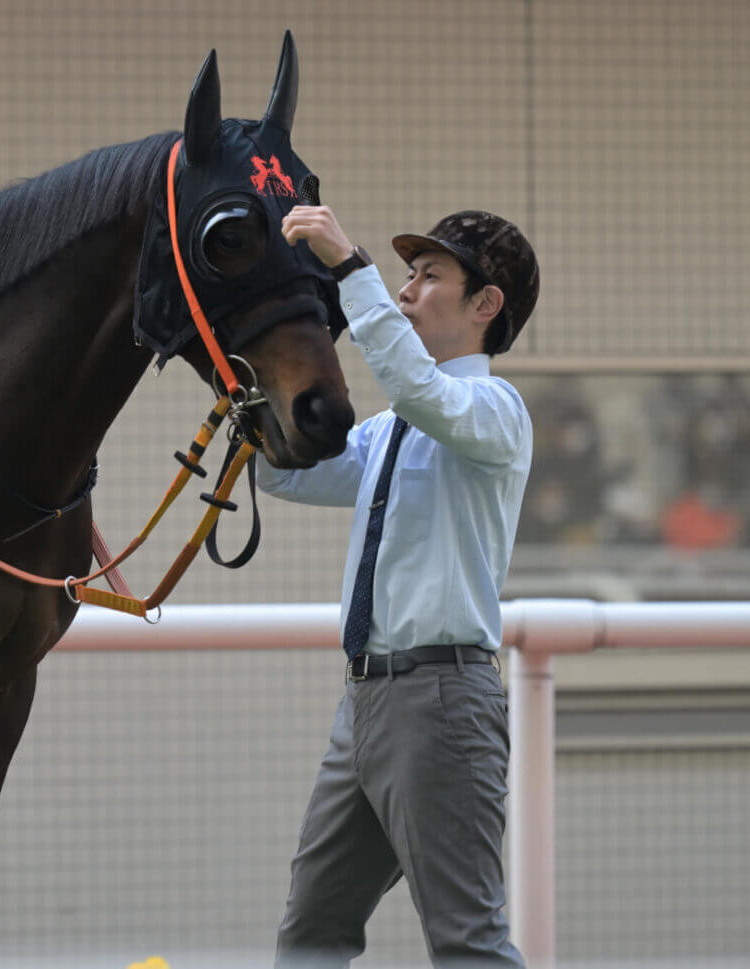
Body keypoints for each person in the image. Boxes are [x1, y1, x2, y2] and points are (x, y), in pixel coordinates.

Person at [264, 206, 540, 968]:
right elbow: (287, 470)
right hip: (366, 701)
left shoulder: (494, 410)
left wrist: (352, 269)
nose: (408, 289)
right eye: (406, 275)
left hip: (443, 701)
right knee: (309, 937)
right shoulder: (393, 426)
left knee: (467, 943)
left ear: (486, 305)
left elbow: (422, 390)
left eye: (430, 275)